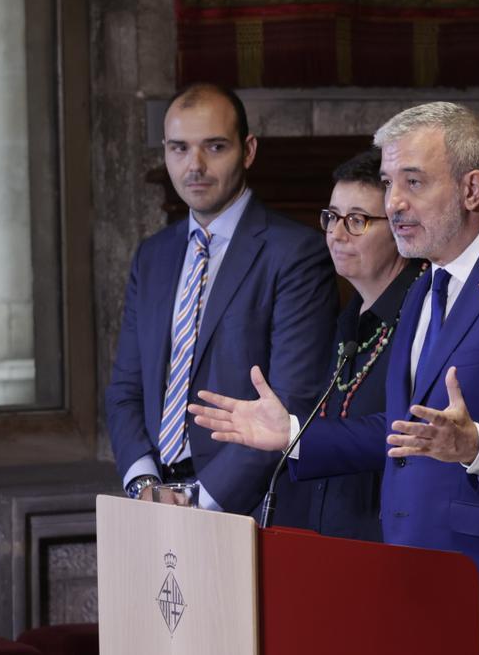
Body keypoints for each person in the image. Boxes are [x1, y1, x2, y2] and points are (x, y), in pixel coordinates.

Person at [190, 101, 479, 653]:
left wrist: (475, 444)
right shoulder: (424, 287)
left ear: (471, 189)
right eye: (388, 183)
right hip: (416, 577)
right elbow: (401, 429)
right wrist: (291, 434)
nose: (395, 202)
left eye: (413, 182)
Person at [105, 83, 338, 518]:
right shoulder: (152, 256)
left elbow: (290, 404)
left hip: (246, 509)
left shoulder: (296, 254)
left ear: (248, 151)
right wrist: (144, 483)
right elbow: (125, 389)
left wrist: (198, 500)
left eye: (214, 147)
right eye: (179, 148)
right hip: (154, 504)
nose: (194, 166)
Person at [281, 148, 425, 540]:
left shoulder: (424, 314)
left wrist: (289, 432)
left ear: (400, 227)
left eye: (357, 220)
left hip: (396, 549)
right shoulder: (350, 316)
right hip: (335, 546)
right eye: (331, 217)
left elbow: (405, 433)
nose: (336, 234)